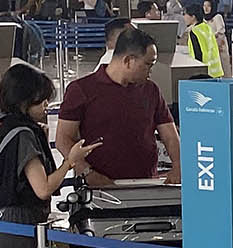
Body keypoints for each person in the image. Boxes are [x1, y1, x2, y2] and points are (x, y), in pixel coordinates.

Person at [0, 63, 98, 248]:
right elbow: (43, 189)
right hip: (18, 225)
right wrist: (70, 161)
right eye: (40, 100)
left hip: (5, 224)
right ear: (24, 101)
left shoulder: (6, 127)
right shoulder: (24, 136)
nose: (46, 105)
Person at [55, 25, 181, 185]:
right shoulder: (82, 90)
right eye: (148, 64)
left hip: (145, 184)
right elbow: (63, 139)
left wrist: (177, 166)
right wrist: (87, 172)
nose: (151, 71)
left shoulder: (150, 90)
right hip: (99, 187)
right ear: (128, 61)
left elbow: (169, 134)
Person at [186, 0, 226, 77]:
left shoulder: (194, 31)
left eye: (185, 14)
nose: (184, 17)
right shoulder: (207, 27)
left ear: (193, 16)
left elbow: (197, 54)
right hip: (215, 71)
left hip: (203, 72)